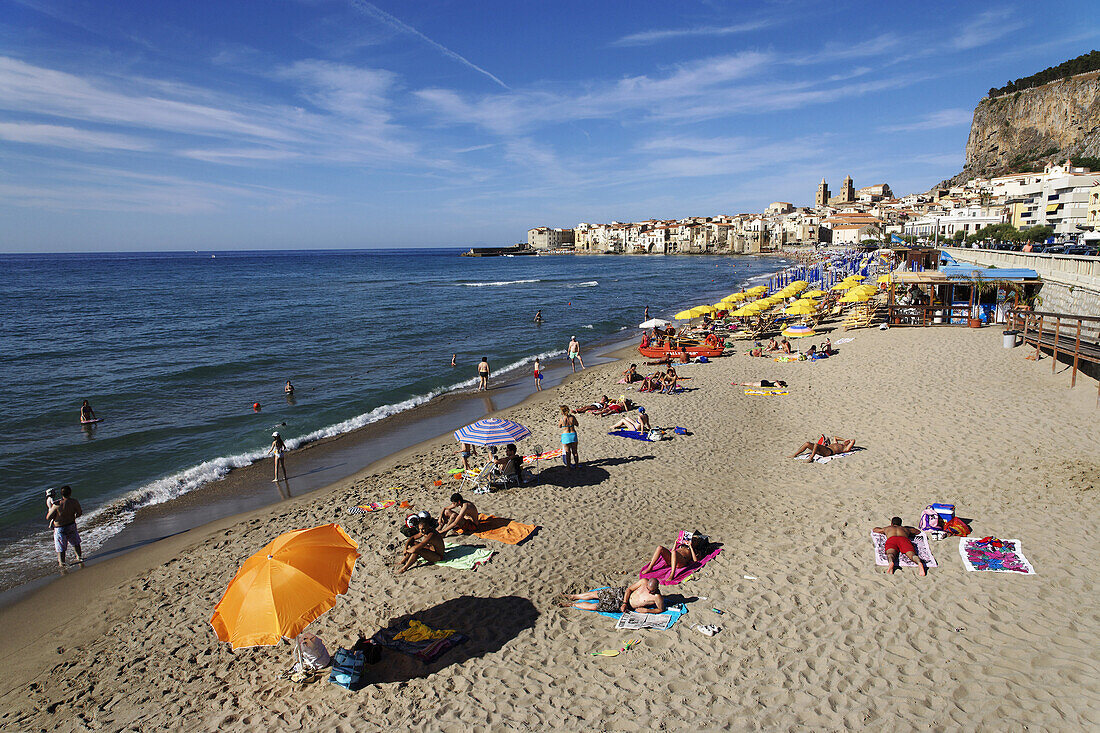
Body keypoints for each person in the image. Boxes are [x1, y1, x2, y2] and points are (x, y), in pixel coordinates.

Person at [564, 577, 665, 614]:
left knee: (595, 606)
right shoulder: (643, 582)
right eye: (648, 589)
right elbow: (629, 589)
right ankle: (574, 597)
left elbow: (660, 609)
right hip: (623, 593)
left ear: (656, 589)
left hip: (624, 604)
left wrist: (647, 610)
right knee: (597, 594)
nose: (649, 592)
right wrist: (625, 602)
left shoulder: (657, 597)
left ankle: (572, 605)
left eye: (651, 591)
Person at [640, 534, 708, 580]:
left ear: (697, 544)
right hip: (672, 559)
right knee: (660, 548)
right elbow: (672, 551)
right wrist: (675, 544)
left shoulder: (695, 550)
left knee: (674, 552)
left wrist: (691, 547)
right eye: (692, 539)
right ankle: (650, 567)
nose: (692, 541)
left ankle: (672, 574)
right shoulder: (682, 546)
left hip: (681, 562)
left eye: (695, 541)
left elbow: (695, 560)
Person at [46, 485, 83, 571]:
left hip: (60, 527)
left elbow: (48, 517)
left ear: (61, 494)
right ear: (70, 493)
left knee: (61, 546)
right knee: (75, 542)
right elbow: (79, 512)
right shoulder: (74, 502)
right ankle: (79, 557)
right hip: (71, 524)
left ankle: (62, 563)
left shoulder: (57, 505)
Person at [790, 435, 856, 462]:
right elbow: (835, 437)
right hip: (824, 449)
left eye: (848, 442)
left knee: (816, 445)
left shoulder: (845, 448)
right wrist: (844, 439)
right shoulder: (837, 443)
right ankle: (795, 454)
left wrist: (849, 441)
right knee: (807, 443)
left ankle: (811, 458)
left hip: (829, 452)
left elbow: (853, 440)